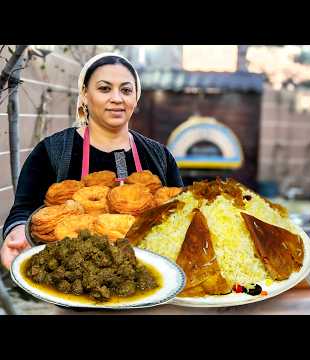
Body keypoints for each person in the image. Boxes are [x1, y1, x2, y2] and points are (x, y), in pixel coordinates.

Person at [0, 52, 183, 269]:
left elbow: (180, 213)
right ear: (85, 94)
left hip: (149, 276)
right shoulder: (52, 151)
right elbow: (24, 209)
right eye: (104, 88)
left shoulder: (159, 156)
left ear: (136, 97)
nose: (117, 98)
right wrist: (17, 232)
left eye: (126, 90)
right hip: (70, 276)